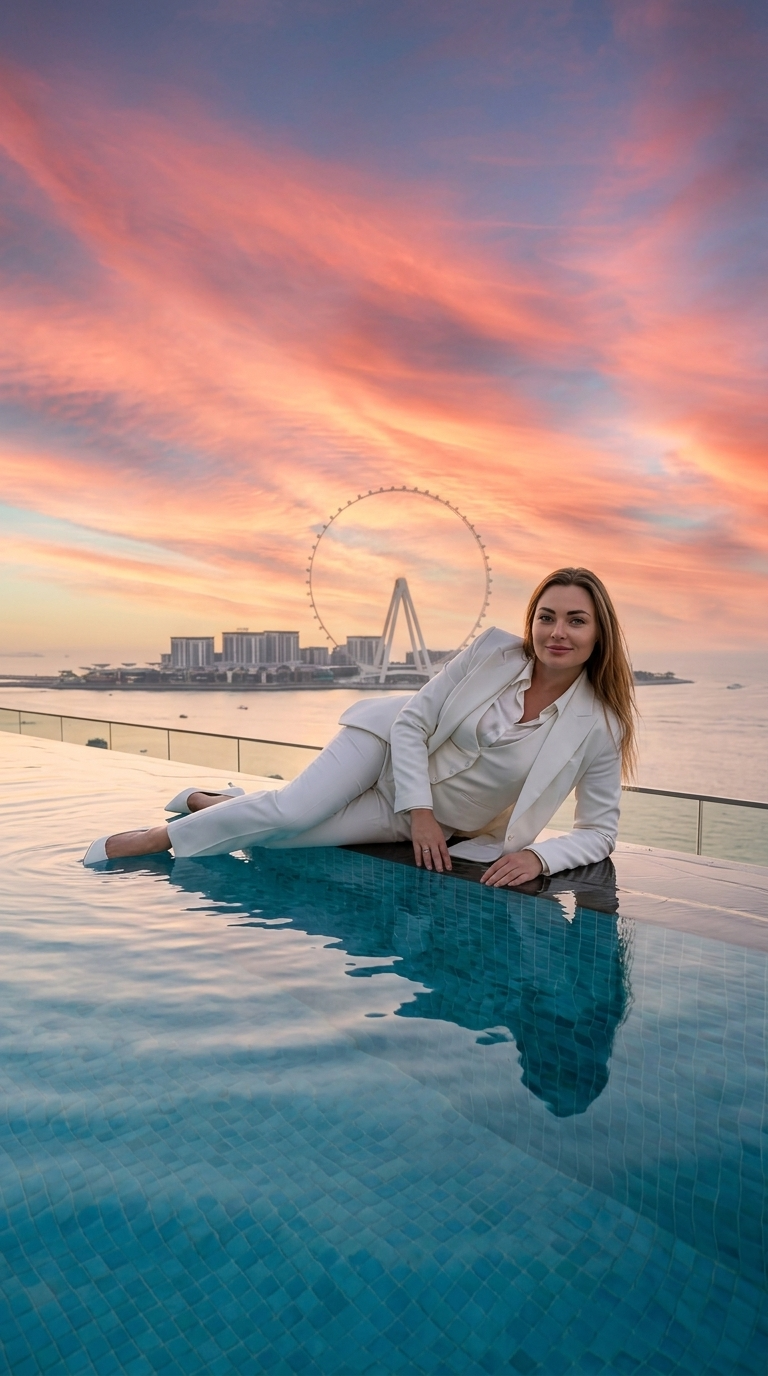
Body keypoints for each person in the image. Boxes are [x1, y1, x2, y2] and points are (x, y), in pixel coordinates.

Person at [83, 567, 637, 886]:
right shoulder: (493, 652)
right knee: (293, 810)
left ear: (598, 633)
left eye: (575, 620)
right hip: (384, 747)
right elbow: (416, 719)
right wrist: (421, 814)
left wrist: (539, 856)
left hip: (420, 821)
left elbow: (598, 832)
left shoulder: (599, 726)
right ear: (531, 621)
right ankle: (157, 836)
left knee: (278, 843)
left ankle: (214, 800)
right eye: (547, 616)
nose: (556, 632)